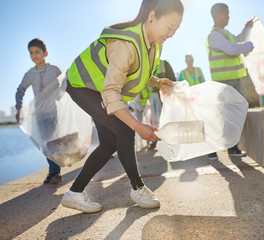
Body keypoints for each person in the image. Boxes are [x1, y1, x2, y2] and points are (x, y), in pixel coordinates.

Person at [61, 0, 184, 213]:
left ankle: (74, 193)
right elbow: (110, 93)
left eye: (176, 29)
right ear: (152, 16)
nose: (171, 33)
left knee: (109, 142)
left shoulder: (154, 42)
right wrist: (138, 126)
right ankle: (137, 188)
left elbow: (138, 71)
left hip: (98, 88)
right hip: (82, 85)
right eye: (170, 27)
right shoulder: (126, 44)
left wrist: (157, 81)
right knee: (126, 130)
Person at [206, 3, 254, 160]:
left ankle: (232, 147)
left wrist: (247, 29)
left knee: (231, 114)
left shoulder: (224, 34)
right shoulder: (215, 36)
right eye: (227, 14)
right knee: (223, 115)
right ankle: (212, 148)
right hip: (224, 82)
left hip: (232, 80)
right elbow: (233, 49)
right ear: (219, 15)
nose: (228, 17)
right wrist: (249, 45)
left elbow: (238, 40)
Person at [15, 38, 63, 184]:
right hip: (38, 114)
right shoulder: (30, 74)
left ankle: (55, 173)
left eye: (37, 52)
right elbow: (20, 90)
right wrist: (19, 108)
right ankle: (53, 171)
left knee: (50, 142)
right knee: (44, 144)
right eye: (31, 53)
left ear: (45, 53)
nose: (34, 55)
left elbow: (64, 87)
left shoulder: (54, 70)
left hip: (52, 112)